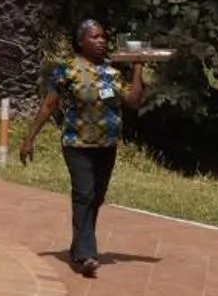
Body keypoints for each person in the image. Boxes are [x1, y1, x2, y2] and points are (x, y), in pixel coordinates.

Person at [20, 19, 149, 277]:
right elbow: (49, 104)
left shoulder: (111, 73)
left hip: (106, 146)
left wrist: (137, 69)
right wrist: (29, 137)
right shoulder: (67, 70)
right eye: (95, 37)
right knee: (84, 195)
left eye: (103, 37)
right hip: (77, 145)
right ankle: (86, 256)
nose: (101, 41)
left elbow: (133, 101)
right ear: (81, 42)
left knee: (96, 198)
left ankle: (79, 245)